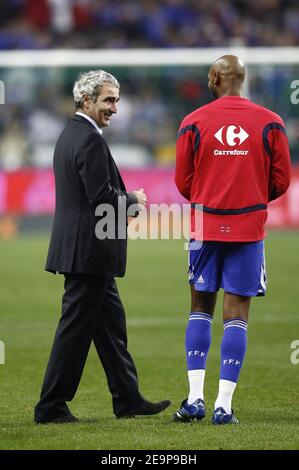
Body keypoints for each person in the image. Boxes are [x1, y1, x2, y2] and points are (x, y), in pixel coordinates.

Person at [34, 70, 170, 424]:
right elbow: (100, 197)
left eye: (117, 100)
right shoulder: (89, 139)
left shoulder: (70, 134)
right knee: (74, 333)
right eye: (108, 100)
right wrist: (133, 200)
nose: (115, 107)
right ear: (86, 100)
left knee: (111, 329)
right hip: (88, 252)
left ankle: (128, 399)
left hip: (84, 251)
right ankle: (50, 407)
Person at [173, 55, 291, 425]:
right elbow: (281, 180)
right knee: (236, 314)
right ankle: (223, 405)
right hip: (248, 229)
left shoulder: (193, 122)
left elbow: (183, 181)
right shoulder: (271, 122)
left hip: (204, 228)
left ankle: (195, 399)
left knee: (200, 307)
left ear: (215, 77)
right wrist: (250, 198)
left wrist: (212, 197)